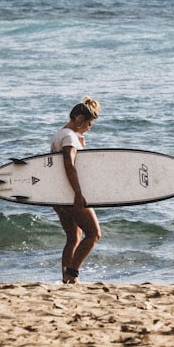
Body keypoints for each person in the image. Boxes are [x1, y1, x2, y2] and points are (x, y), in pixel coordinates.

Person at [51, 96, 102, 284]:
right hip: (70, 194)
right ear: (80, 118)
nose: (89, 128)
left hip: (57, 195)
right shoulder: (69, 137)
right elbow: (68, 165)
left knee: (74, 237)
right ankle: (72, 274)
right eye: (89, 124)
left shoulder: (60, 134)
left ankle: (66, 278)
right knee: (94, 234)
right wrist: (78, 193)